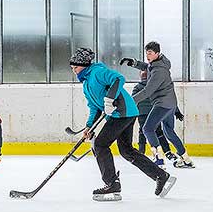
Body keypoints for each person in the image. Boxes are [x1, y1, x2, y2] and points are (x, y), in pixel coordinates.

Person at [69, 47, 176, 202]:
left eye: (76, 67)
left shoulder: (97, 72)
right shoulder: (86, 83)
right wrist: (89, 127)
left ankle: (112, 184)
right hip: (125, 114)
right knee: (127, 151)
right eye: (72, 68)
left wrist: (109, 98)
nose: (74, 70)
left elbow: (119, 78)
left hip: (123, 113)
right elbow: (94, 107)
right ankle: (161, 175)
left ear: (84, 65)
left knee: (100, 144)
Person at [120, 41, 195, 168]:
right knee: (169, 132)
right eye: (146, 53)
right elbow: (147, 67)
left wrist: (130, 101)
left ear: (157, 53)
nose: (147, 55)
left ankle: (159, 159)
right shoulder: (158, 64)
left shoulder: (158, 71)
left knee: (147, 129)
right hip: (170, 104)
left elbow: (148, 90)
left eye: (150, 53)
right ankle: (186, 159)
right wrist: (134, 63)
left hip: (162, 104)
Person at [132, 70, 182, 164]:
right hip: (154, 112)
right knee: (158, 132)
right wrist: (176, 110)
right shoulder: (156, 86)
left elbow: (132, 100)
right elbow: (167, 99)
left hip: (142, 113)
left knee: (143, 132)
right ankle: (167, 152)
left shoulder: (138, 87)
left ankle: (141, 153)